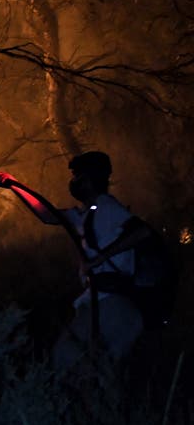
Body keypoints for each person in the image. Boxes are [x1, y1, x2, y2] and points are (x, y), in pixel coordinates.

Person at [51, 150, 151, 370]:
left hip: (112, 304)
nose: (73, 182)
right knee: (91, 370)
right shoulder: (85, 214)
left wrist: (99, 259)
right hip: (100, 302)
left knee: (67, 359)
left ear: (91, 179)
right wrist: (14, 185)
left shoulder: (106, 207)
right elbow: (46, 214)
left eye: (78, 176)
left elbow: (141, 231)